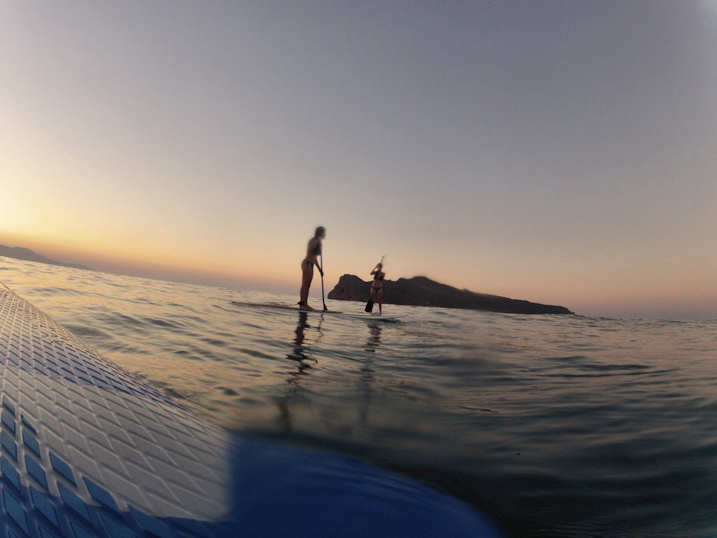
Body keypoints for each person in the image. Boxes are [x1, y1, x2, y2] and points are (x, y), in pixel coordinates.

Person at [298, 226, 326, 311]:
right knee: (305, 284)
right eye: (323, 232)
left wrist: (320, 270)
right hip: (307, 263)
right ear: (320, 233)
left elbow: (315, 258)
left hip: (311, 264)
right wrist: (317, 249)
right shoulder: (314, 240)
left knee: (308, 285)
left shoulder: (318, 241)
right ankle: (303, 304)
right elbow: (310, 251)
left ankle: (304, 303)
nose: (325, 234)